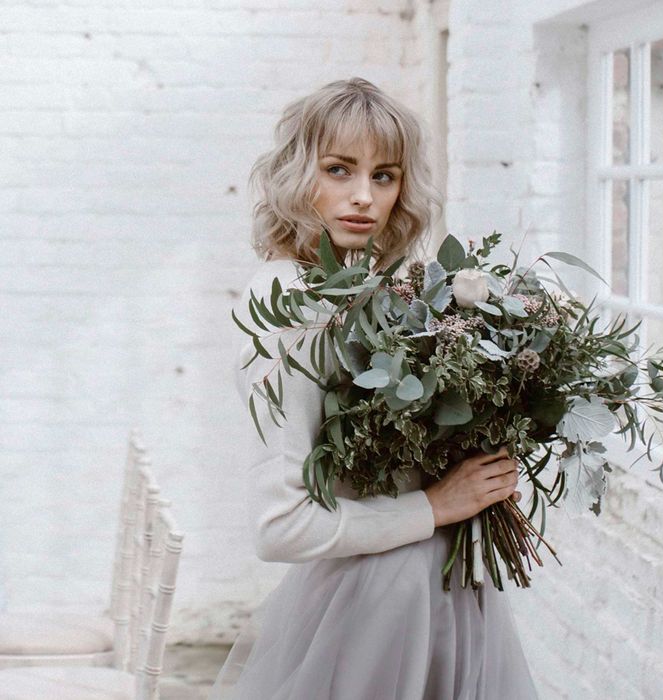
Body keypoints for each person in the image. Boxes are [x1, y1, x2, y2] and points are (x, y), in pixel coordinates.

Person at [209, 77, 539, 699]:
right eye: (339, 170)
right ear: (297, 176)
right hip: (378, 605)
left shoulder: (380, 290)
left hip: (433, 588)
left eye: (384, 176)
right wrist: (436, 506)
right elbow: (280, 527)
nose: (363, 197)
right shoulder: (289, 305)